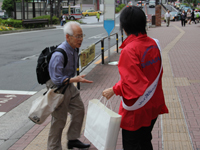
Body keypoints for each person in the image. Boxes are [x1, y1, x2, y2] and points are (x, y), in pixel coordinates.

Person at [102, 6, 169, 150]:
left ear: (125, 27)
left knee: (132, 144)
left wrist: (114, 89)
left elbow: (132, 86)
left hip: (137, 109)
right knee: (145, 140)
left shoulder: (130, 50)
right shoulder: (154, 43)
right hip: (153, 102)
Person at [47, 21, 93, 150]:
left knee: (79, 110)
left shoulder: (74, 49)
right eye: (77, 36)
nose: (81, 39)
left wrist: (73, 80)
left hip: (69, 86)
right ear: (68, 37)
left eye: (82, 35)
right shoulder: (58, 55)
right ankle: (53, 148)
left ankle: (72, 139)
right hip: (58, 89)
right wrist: (74, 79)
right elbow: (56, 79)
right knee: (59, 120)